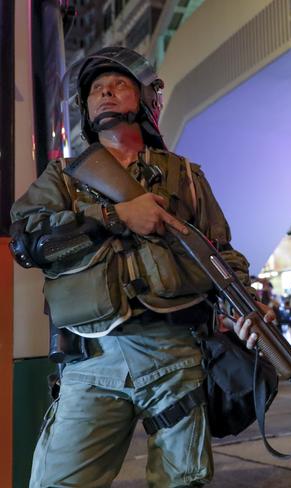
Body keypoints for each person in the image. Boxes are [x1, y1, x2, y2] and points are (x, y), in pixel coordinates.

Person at [9, 47, 273, 487]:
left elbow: (222, 254)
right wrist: (113, 218)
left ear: (147, 101)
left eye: (119, 86)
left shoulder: (185, 176)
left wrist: (242, 307)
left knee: (180, 481)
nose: (105, 94)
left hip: (174, 356)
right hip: (91, 360)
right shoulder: (63, 178)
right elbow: (27, 244)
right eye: (96, 89)